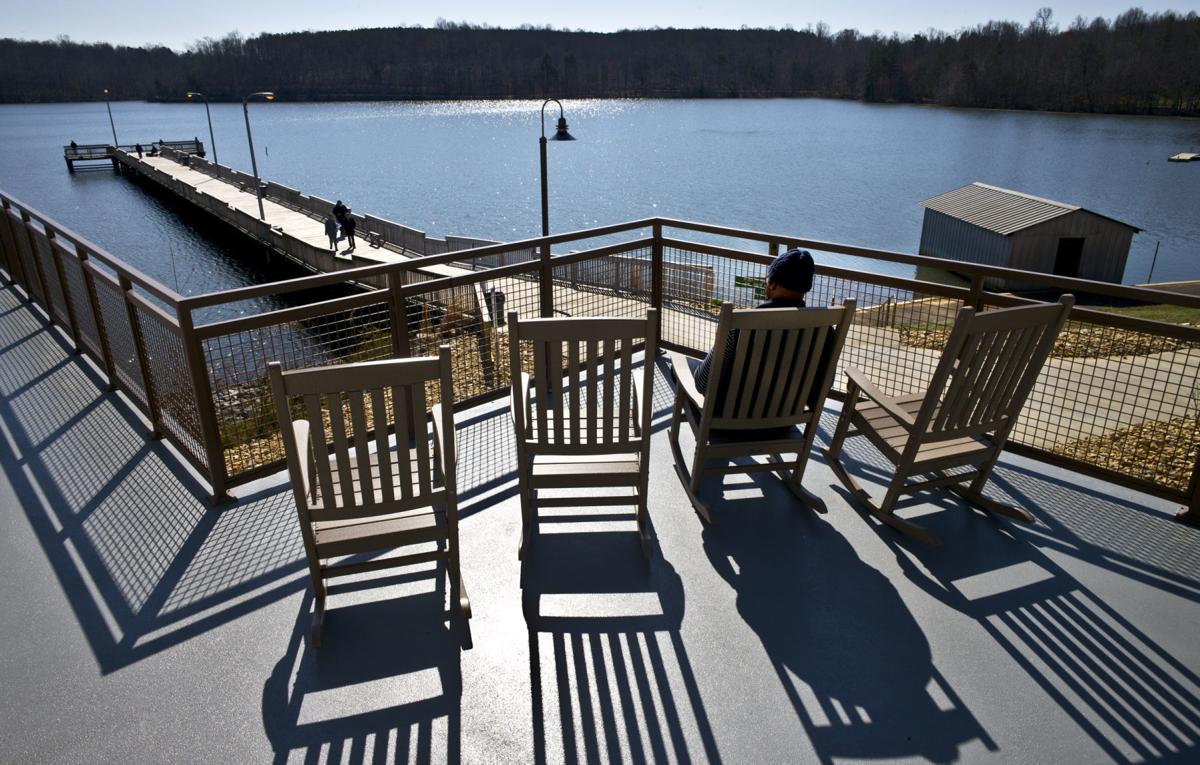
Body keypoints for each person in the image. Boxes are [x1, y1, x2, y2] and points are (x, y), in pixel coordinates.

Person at [691, 248, 834, 429]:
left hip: (730, 423)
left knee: (684, 366)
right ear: (806, 287)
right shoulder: (824, 331)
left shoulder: (740, 325)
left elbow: (703, 384)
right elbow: (823, 387)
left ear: (772, 284)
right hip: (783, 425)